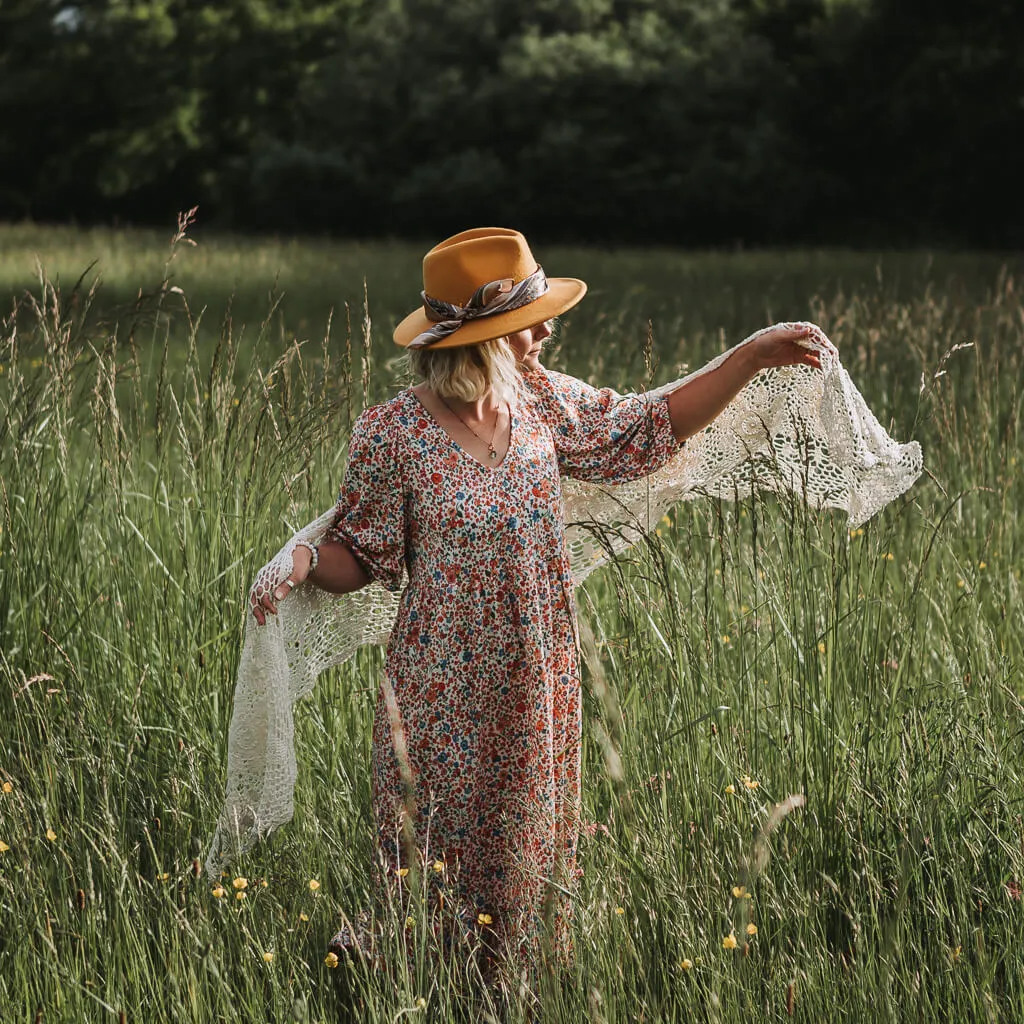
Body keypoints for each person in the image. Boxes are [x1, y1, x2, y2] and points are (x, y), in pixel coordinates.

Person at [247, 227, 822, 985]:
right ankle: (382, 979)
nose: (548, 330)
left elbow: (651, 427)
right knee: (428, 865)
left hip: (535, 684)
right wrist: (303, 562)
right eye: (529, 320)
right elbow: (366, 556)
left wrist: (747, 358)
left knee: (521, 866)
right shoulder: (391, 434)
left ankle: (507, 999)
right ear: (479, 339)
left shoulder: (543, 401)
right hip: (436, 694)